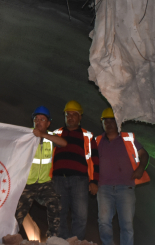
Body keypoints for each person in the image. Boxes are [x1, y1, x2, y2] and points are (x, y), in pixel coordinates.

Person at [95, 107, 149, 245]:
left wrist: (141, 168)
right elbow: (90, 163)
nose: (108, 123)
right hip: (104, 188)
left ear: (118, 122)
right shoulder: (97, 141)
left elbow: (144, 154)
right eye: (105, 121)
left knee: (126, 224)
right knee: (103, 222)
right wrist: (92, 182)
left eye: (111, 120)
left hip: (125, 187)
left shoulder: (128, 139)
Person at [15, 106, 67, 239]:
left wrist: (43, 135)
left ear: (48, 123)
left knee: (55, 202)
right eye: (36, 119)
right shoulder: (27, 136)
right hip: (28, 182)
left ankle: (52, 237)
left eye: (42, 119)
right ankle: (12, 235)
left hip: (44, 183)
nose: (38, 122)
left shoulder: (51, 138)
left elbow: (64, 143)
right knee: (19, 211)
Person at [50, 100, 99, 240]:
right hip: (58, 179)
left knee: (80, 215)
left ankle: (76, 242)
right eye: (67, 115)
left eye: (74, 114)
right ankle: (63, 242)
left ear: (80, 117)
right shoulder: (56, 133)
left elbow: (95, 160)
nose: (70, 117)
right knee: (59, 213)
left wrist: (94, 181)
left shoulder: (88, 136)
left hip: (80, 180)